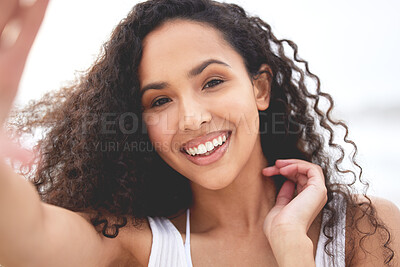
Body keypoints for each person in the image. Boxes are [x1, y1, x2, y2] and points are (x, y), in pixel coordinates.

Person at [0, 0, 399, 266]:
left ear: (259, 87)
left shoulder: (362, 229)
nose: (191, 119)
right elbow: (22, 234)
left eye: (211, 82)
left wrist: (293, 248)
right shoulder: (132, 244)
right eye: (159, 101)